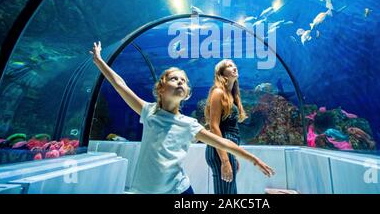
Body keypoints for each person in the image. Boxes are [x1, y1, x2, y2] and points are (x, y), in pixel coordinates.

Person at [89, 42, 274, 194]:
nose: (179, 82)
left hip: (180, 190)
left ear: (186, 94)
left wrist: (254, 159)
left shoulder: (189, 124)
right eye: (174, 79)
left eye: (183, 81)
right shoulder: (148, 111)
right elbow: (120, 85)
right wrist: (99, 62)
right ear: (160, 89)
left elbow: (224, 143)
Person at [204, 59, 247, 194]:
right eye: (229, 66)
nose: (234, 67)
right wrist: (225, 160)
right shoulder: (218, 92)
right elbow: (214, 127)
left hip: (226, 150)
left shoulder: (231, 95)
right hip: (220, 151)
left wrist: (233, 155)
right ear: (222, 74)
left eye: (234, 65)